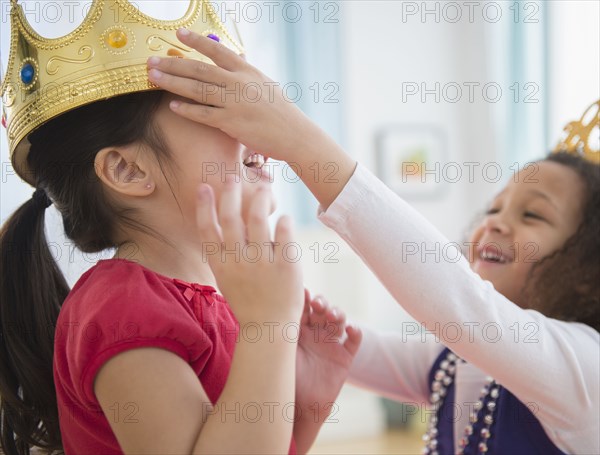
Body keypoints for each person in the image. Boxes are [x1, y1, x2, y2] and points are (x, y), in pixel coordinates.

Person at [148, 28, 600, 454]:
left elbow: (458, 301)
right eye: (495, 208)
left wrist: (298, 139)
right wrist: (258, 292)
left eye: (533, 214)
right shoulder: (447, 360)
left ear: (588, 270)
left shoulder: (585, 366)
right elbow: (343, 347)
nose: (498, 223)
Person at [0, 4, 361, 454]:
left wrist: (307, 402)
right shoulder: (120, 310)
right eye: (215, 106)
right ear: (126, 170)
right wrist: (269, 325)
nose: (261, 127)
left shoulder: (221, 298)